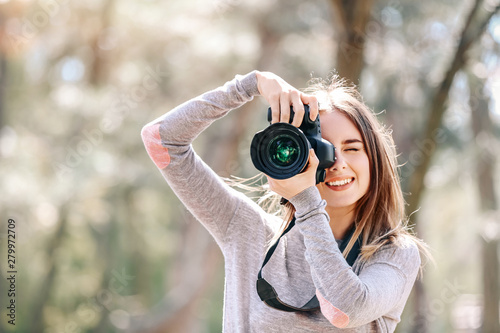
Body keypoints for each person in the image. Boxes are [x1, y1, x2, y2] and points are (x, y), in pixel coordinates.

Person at [141, 70, 429, 332]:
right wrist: (250, 84)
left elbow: (343, 310)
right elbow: (161, 140)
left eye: (352, 148)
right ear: (295, 157)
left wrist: (306, 201)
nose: (337, 163)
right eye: (321, 149)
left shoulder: (394, 254)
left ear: (374, 159)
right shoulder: (248, 230)